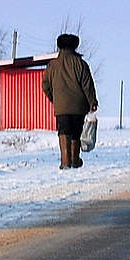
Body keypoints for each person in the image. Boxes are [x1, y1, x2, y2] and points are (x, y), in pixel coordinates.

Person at [42, 33, 98, 169]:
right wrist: (92, 102)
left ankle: (65, 161)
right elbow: (87, 85)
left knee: (64, 131)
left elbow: (45, 85)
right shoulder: (81, 64)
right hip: (79, 106)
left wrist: (54, 98)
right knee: (76, 132)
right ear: (75, 46)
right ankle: (75, 160)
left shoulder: (52, 65)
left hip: (61, 106)